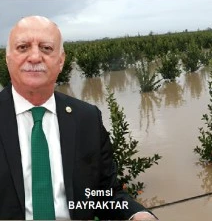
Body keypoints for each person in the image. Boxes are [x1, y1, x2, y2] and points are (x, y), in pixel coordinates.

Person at [0, 16, 158, 220]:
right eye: (23, 47)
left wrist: (136, 214)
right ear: (7, 57)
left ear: (61, 60)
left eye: (46, 48)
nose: (35, 57)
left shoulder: (87, 119)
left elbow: (102, 195)